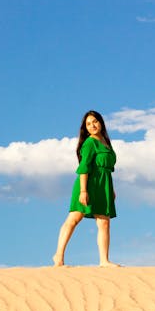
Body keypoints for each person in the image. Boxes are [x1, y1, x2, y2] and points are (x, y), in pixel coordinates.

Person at [53, 110, 120, 267]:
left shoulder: (105, 142)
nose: (92, 125)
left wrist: (111, 189)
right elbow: (84, 168)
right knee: (74, 219)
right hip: (88, 184)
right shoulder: (89, 143)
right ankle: (58, 256)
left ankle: (104, 260)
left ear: (101, 122)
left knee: (104, 223)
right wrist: (83, 191)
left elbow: (107, 169)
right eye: (88, 124)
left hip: (103, 185)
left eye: (95, 121)